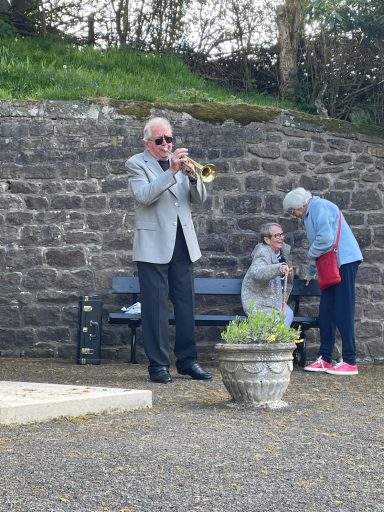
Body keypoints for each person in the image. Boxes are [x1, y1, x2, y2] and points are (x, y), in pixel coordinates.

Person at [125, 117, 212, 384]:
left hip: (183, 242)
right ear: (147, 143)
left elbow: (200, 200)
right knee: (155, 308)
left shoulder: (181, 164)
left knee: (186, 305)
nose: (166, 145)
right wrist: (172, 171)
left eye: (169, 139)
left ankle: (187, 361)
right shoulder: (136, 163)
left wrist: (194, 178)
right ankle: (158, 365)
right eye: (159, 140)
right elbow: (145, 195)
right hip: (153, 244)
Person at [283, 187, 363, 375]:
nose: (293, 215)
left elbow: (326, 239)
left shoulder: (319, 206)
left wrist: (310, 255)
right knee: (326, 311)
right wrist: (312, 271)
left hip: (345, 261)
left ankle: (350, 361)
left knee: (343, 310)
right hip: (332, 265)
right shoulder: (310, 214)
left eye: (292, 210)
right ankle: (325, 358)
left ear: (299, 204)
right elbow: (320, 247)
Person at [241, 223, 294, 326]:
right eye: (277, 235)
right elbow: (256, 272)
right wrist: (278, 268)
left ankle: (279, 340)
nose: (281, 238)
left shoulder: (284, 252)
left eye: (282, 234)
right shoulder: (263, 253)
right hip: (261, 303)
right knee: (279, 319)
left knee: (288, 313)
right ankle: (277, 341)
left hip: (275, 303)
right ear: (267, 240)